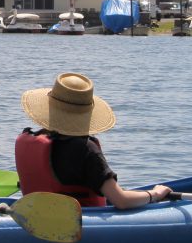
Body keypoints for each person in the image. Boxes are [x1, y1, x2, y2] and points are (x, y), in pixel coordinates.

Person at [16, 72, 171, 209]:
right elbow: (121, 201)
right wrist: (155, 194)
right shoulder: (85, 149)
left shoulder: (34, 138)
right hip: (76, 224)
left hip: (36, 217)